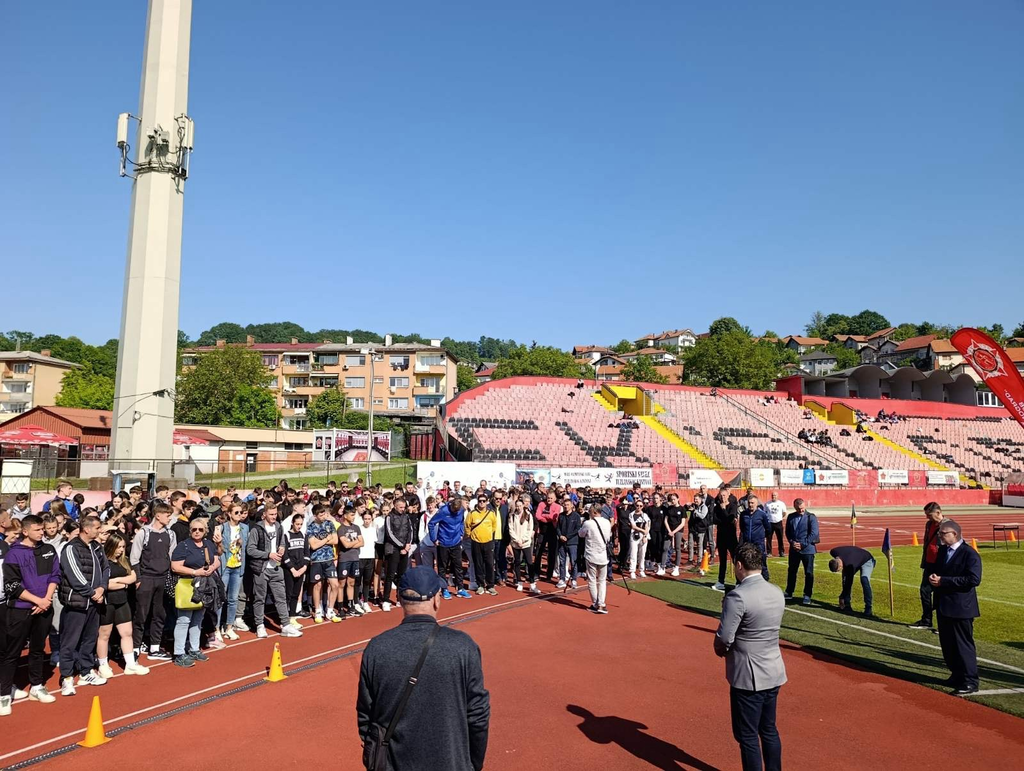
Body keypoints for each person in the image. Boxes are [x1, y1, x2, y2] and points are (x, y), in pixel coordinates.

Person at [357, 566, 490, 770]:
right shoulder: (463, 646)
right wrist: (473, 763)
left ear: (400, 599)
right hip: (452, 763)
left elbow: (366, 717)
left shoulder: (376, 648)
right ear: (436, 599)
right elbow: (478, 714)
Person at [714, 543, 786, 771]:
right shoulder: (776, 591)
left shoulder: (738, 596)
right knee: (769, 729)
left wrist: (720, 650)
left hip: (748, 676)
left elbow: (724, 637)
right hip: (773, 670)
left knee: (747, 735)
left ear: (739, 565)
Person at [1, 515, 60, 713]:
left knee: (38, 649)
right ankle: (4, 694)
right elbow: (12, 585)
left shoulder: (48, 549)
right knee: (12, 652)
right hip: (20, 609)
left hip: (44, 608)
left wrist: (46, 600)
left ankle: (36, 686)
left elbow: (55, 576)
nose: (42, 532)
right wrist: (37, 601)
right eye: (37, 529)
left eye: (42, 529)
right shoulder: (13, 554)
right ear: (25, 532)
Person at [58, 515, 110, 695]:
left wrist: (102, 588)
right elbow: (74, 575)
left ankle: (86, 671)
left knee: (89, 638)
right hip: (77, 603)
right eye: (97, 528)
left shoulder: (97, 547)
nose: (100, 531)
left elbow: (105, 568)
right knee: (70, 641)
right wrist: (92, 593)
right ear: (87, 529)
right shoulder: (71, 548)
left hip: (95, 602)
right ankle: (66, 677)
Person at [929, 519, 981, 695]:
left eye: (943, 533)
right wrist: (934, 577)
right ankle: (957, 674)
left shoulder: (969, 554)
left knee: (963, 645)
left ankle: (970, 681)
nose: (940, 536)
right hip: (944, 605)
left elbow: (973, 579)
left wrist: (943, 581)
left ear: (955, 534)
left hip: (961, 607)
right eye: (940, 533)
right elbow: (939, 570)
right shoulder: (943, 551)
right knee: (948, 644)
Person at [170, 518, 222, 667]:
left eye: (200, 529)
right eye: (194, 529)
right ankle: (179, 653)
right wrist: (195, 572)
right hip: (188, 585)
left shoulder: (208, 544)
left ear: (205, 531)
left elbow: (217, 560)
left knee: (198, 619)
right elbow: (175, 567)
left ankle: (194, 649)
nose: (197, 532)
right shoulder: (183, 546)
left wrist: (212, 568)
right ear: (190, 530)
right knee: (184, 620)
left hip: (204, 586)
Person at [97, 532, 149, 677]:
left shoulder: (124, 560)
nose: (121, 550)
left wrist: (118, 581)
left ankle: (130, 664)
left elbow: (133, 577)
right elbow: (105, 584)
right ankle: (103, 665)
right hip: (107, 602)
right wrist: (123, 583)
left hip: (122, 601)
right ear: (111, 546)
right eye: (118, 547)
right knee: (104, 635)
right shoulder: (102, 562)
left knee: (127, 633)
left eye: (123, 547)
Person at [247, 502, 303, 638]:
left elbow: (282, 542)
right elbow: (250, 550)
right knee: (260, 598)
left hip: (276, 568)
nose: (274, 517)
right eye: (271, 514)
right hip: (261, 568)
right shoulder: (256, 529)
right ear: (264, 514)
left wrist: (282, 548)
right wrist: (268, 554)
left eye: (275, 514)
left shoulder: (278, 526)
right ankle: (260, 625)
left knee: (281, 597)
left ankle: (286, 625)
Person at [130, 502, 176, 661]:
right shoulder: (144, 533)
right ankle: (135, 648)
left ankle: (155, 648)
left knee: (160, 614)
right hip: (146, 579)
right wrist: (138, 578)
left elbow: (172, 556)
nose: (169, 518)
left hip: (163, 579)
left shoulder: (170, 534)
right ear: (158, 515)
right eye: (167, 515)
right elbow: (134, 558)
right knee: (141, 615)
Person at [909, 502, 944, 631]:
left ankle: (942, 624)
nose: (927, 517)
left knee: (940, 595)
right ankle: (926, 620)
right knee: (925, 591)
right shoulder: (929, 525)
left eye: (929, 515)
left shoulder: (948, 525)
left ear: (938, 512)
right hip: (929, 563)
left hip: (941, 565)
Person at [218, 502, 249, 642]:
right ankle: (217, 628)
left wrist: (242, 543)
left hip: (238, 566)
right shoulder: (222, 528)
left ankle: (229, 627)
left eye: (241, 512)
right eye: (236, 512)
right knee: (221, 598)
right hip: (225, 567)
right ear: (229, 514)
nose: (239, 515)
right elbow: (219, 548)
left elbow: (245, 547)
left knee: (233, 599)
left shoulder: (244, 528)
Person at [307, 504, 340, 623]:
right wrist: (326, 539)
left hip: (329, 559)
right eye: (321, 515)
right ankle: (318, 611)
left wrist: (320, 541)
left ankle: (330, 610)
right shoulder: (310, 527)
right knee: (317, 586)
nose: (324, 516)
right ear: (315, 515)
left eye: (324, 514)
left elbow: (335, 540)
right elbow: (313, 545)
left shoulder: (330, 524)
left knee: (335, 585)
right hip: (316, 560)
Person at [381, 496, 415, 611]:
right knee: (390, 575)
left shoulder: (406, 516)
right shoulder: (389, 517)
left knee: (402, 575)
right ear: (395, 506)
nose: (402, 509)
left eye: (404, 507)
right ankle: (386, 600)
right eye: (400, 507)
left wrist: (407, 545)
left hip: (405, 549)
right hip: (393, 549)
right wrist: (401, 545)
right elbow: (389, 534)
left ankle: (400, 598)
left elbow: (410, 531)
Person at [783, 499, 818, 605]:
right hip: (794, 550)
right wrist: (792, 542)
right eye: (798, 509)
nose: (801, 510)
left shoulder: (811, 517)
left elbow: (814, 533)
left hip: (808, 550)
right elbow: (788, 532)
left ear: (805, 506)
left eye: (802, 508)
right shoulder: (791, 517)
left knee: (808, 573)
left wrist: (802, 544)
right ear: (794, 507)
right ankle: (789, 591)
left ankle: (807, 595)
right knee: (792, 571)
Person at [466, 494, 500, 596]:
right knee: (478, 564)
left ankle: (490, 585)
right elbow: (467, 526)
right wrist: (470, 535)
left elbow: (494, 526)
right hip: (476, 542)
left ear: (487, 502)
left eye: (483, 501)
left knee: (489, 564)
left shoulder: (491, 514)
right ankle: (480, 585)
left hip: (488, 542)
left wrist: (488, 534)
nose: (481, 503)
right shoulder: (472, 514)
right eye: (480, 501)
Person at [579, 506, 612, 613]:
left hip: (591, 555)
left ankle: (595, 604)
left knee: (592, 580)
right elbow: (608, 537)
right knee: (602, 581)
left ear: (593, 512)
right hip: (603, 555)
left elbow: (581, 534)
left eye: (589, 512)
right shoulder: (607, 522)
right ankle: (601, 604)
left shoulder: (588, 523)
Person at [828, 545, 875, 616]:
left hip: (867, 560)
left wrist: (842, 596)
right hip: (855, 558)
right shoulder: (833, 552)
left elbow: (849, 583)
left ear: (840, 566)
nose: (839, 571)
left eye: (838, 570)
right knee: (845, 579)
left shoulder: (850, 564)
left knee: (864, 580)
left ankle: (868, 607)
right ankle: (847, 604)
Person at [336, 505, 365, 617]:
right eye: (352, 515)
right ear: (345, 515)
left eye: (354, 515)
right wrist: (355, 541)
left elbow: (362, 543)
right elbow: (345, 545)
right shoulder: (341, 529)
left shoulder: (356, 527)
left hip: (355, 558)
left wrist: (351, 543)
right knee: (341, 583)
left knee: (351, 583)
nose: (353, 517)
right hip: (344, 559)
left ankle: (351, 606)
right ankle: (340, 607)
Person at [282, 510, 310, 622]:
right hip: (289, 570)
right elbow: (285, 555)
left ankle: (292, 617)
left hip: (301, 569)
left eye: (301, 524)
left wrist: (304, 567)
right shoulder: (286, 535)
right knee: (288, 594)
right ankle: (285, 618)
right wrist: (292, 569)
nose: (299, 526)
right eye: (297, 524)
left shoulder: (303, 535)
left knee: (296, 594)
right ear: (292, 523)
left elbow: (307, 553)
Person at [507, 497, 537, 593]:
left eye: (520, 505)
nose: (518, 507)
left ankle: (532, 584)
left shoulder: (528, 515)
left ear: (523, 505)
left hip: (526, 543)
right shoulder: (512, 516)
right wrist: (517, 540)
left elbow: (530, 528)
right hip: (516, 543)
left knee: (529, 562)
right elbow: (511, 529)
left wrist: (523, 539)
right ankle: (519, 582)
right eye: (517, 506)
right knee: (517, 562)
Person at [738, 495, 771, 581]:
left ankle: (765, 580)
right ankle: (746, 581)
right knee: (747, 562)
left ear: (756, 503)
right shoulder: (743, 514)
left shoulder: (762, 514)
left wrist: (761, 537)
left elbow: (768, 528)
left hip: (758, 543)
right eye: (749, 503)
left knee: (761, 561)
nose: (750, 505)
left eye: (752, 503)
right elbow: (742, 527)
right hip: (747, 543)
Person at [555, 498, 582, 589]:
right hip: (562, 542)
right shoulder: (561, 516)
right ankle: (562, 579)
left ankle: (574, 579)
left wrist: (567, 537)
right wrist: (560, 536)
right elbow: (558, 527)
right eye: (565, 505)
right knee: (562, 561)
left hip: (572, 542)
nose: (566, 506)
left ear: (571, 506)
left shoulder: (576, 516)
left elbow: (577, 528)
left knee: (573, 561)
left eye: (568, 505)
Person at [662, 493, 686, 576]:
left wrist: (674, 532)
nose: (673, 501)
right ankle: (662, 566)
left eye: (674, 499)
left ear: (678, 499)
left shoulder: (682, 509)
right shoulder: (669, 508)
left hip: (678, 530)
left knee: (677, 548)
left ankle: (676, 567)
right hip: (669, 530)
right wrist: (669, 531)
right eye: (671, 499)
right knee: (665, 547)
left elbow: (682, 523)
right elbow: (666, 520)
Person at [627, 500, 650, 580]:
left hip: (643, 536)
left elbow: (647, 525)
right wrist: (643, 530)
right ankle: (632, 571)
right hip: (634, 535)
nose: (639, 507)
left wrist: (645, 535)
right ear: (635, 505)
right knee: (633, 554)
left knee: (642, 554)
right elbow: (633, 526)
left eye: (640, 506)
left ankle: (641, 570)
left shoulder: (645, 515)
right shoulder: (631, 514)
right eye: (637, 505)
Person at [764, 492, 786, 558]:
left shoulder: (781, 503)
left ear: (777, 496)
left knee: (780, 538)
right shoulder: (767, 504)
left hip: (778, 522)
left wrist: (779, 518)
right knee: (768, 538)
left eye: (775, 495)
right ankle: (769, 552)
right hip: (770, 523)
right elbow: (764, 512)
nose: (774, 496)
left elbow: (784, 512)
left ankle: (781, 552)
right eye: (773, 495)